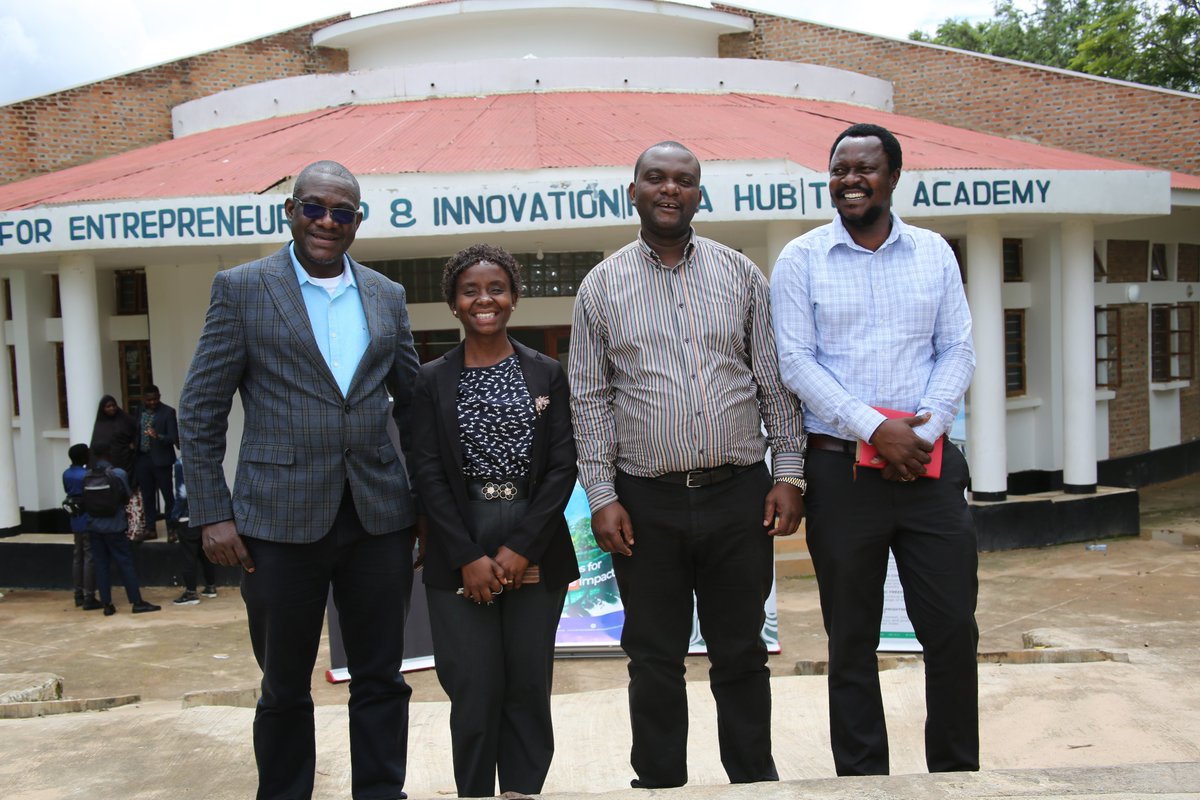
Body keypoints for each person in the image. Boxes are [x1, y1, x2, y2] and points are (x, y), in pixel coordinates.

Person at [568, 141, 807, 789]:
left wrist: (788, 473)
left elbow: (773, 383)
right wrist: (601, 496)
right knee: (652, 657)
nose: (669, 189)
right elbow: (588, 402)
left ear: (699, 194)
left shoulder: (741, 276)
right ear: (633, 192)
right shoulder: (601, 288)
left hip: (739, 498)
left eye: (683, 180)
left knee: (741, 653)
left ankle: (753, 779)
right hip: (645, 504)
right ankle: (660, 781)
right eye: (656, 178)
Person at [179, 159, 420, 800]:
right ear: (290, 210)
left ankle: (380, 792)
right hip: (276, 523)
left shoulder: (386, 296)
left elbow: (416, 408)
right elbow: (201, 408)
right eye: (314, 207)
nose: (327, 222)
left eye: (343, 212)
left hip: (379, 518)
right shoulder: (242, 289)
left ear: (357, 221)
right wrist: (212, 511)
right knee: (285, 684)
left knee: (382, 677)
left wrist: (427, 505)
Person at [770, 122, 978, 776]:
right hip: (841, 476)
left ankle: (956, 774)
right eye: (839, 169)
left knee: (950, 631)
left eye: (865, 168)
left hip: (929, 470)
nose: (850, 180)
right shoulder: (800, 259)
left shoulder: (933, 253)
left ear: (892, 176)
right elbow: (795, 362)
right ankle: (863, 784)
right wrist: (872, 427)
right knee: (852, 641)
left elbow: (958, 349)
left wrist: (924, 428)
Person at [411, 244, 578, 799]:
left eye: (496, 289)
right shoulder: (430, 379)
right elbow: (429, 473)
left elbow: (561, 467)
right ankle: (477, 793)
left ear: (515, 297)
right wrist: (466, 556)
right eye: (470, 291)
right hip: (460, 543)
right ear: (453, 304)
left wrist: (522, 548)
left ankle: (523, 791)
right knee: (475, 687)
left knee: (528, 685)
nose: (485, 299)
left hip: (533, 542)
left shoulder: (547, 372)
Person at [85, 441, 162, 616]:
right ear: (110, 453)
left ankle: (107, 604)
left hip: (95, 527)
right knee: (125, 563)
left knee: (101, 565)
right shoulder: (118, 474)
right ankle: (136, 601)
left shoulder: (88, 475)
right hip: (115, 526)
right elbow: (127, 496)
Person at [169, 457, 217, 605]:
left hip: (187, 517)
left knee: (188, 556)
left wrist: (174, 516)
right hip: (204, 516)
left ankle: (191, 592)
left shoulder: (181, 463)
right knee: (204, 553)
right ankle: (210, 586)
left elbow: (182, 493)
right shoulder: (205, 460)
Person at [134, 385, 179, 542]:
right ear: (144, 399)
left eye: (155, 399)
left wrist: (157, 436)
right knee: (147, 496)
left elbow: (173, 437)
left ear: (159, 396)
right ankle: (150, 529)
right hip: (143, 459)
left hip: (162, 461)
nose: (153, 402)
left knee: (168, 496)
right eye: (149, 399)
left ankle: (172, 528)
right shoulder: (139, 411)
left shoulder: (168, 412)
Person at [62, 442, 100, 610]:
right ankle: (89, 595)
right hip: (87, 517)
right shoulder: (86, 475)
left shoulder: (67, 474)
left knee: (77, 556)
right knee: (89, 556)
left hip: (75, 518)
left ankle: (78, 594)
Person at [89, 395, 137, 473]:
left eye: (114, 405)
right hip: (106, 462)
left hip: (125, 460)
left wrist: (133, 444)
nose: (112, 408)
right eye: (108, 406)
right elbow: (95, 443)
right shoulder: (100, 423)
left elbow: (136, 432)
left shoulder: (126, 419)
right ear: (103, 409)